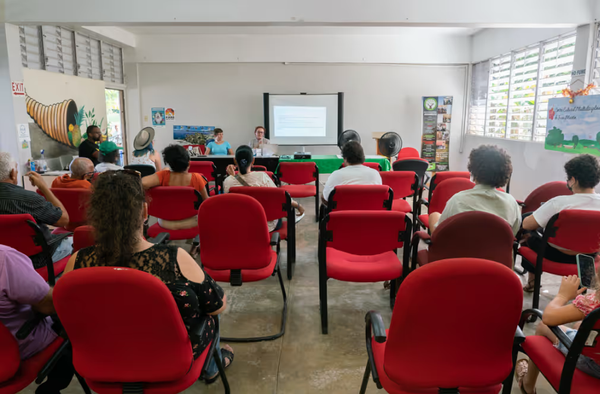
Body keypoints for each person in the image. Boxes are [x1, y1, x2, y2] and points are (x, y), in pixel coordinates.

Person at [62, 171, 233, 382]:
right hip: (170, 360)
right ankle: (212, 367)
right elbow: (216, 306)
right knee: (210, 310)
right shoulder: (176, 259)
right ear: (144, 212)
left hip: (103, 359)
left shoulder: (77, 262)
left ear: (95, 215)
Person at [0, 245, 75, 393]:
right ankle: (53, 387)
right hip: (12, 350)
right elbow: (49, 306)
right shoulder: (4, 258)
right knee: (73, 320)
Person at [521, 154, 600, 292]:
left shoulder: (559, 203)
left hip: (553, 254)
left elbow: (527, 225)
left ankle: (533, 282)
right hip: (589, 256)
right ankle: (580, 290)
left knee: (528, 231)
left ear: (573, 180)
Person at [515, 274, 600, 393]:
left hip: (594, 364)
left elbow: (549, 318)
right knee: (580, 325)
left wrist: (563, 295)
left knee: (543, 326)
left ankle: (527, 384)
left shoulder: (594, 303)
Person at [0, 152, 72, 270]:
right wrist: (44, 187)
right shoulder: (29, 199)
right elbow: (63, 220)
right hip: (35, 260)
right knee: (72, 242)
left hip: (3, 261)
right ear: (13, 173)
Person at [428, 145, 521, 235]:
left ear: (474, 172)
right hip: (496, 250)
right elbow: (512, 233)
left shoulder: (458, 201)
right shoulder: (512, 204)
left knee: (434, 215)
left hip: (461, 250)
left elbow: (440, 235)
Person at [223, 145, 305, 229]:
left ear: (235, 161)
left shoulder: (228, 181)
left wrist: (232, 176)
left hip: (240, 224)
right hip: (264, 225)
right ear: (253, 160)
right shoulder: (262, 176)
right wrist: (298, 206)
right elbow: (280, 197)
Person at [142, 144, 209, 230]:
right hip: (191, 221)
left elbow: (143, 183)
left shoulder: (163, 175)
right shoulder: (196, 177)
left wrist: (163, 172)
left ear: (169, 163)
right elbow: (206, 202)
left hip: (165, 222)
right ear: (188, 162)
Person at [322, 141, 382, 205]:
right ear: (363, 157)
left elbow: (327, 198)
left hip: (343, 213)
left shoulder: (336, 175)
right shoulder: (375, 174)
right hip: (369, 213)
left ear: (345, 158)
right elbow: (379, 197)